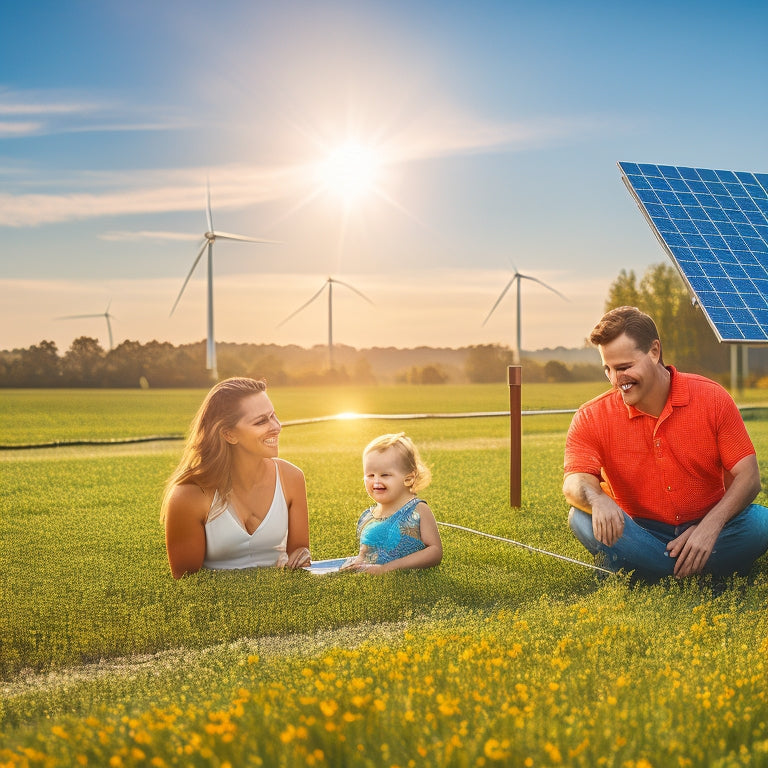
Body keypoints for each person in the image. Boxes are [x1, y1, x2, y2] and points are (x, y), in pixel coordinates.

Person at [563, 306, 768, 582]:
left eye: (624, 367)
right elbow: (574, 481)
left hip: (712, 524)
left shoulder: (712, 398)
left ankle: (646, 567)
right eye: (608, 369)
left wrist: (709, 527)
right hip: (640, 530)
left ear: (654, 351)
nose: (615, 380)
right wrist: (598, 498)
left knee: (760, 525)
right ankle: (690, 568)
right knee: (581, 519)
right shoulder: (590, 416)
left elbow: (750, 477)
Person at [162, 377, 311, 579]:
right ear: (229, 434)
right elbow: (187, 582)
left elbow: (300, 558)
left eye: (273, 416)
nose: (276, 426)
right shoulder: (189, 495)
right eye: (261, 421)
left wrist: (300, 558)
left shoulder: (292, 478)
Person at [341, 432, 442, 574]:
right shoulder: (368, 517)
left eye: (385, 475)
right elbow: (365, 554)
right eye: (370, 475)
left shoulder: (418, 510)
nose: (376, 481)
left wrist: (387, 568)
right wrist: (357, 562)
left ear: (409, 478)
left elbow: (435, 552)